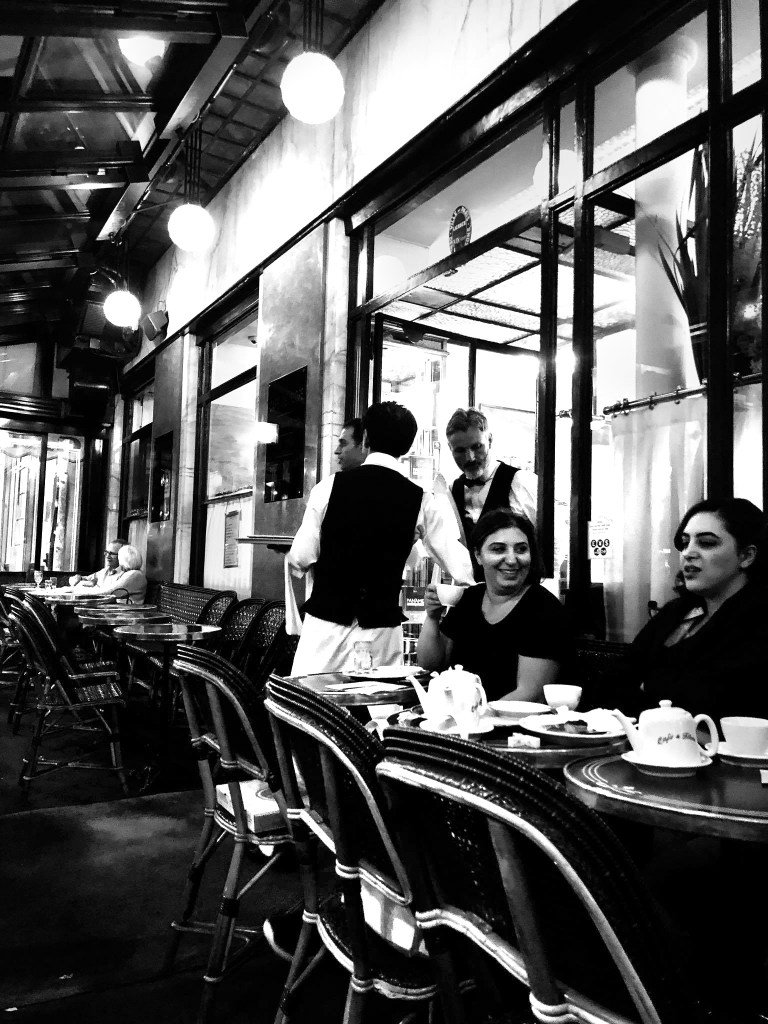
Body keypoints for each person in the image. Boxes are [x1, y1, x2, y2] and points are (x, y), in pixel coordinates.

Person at [288, 401, 474, 676]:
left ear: (365, 439)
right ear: (407, 447)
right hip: (382, 632)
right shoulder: (420, 498)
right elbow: (458, 564)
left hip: (327, 629)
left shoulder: (328, 488)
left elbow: (301, 556)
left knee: (313, 710)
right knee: (377, 713)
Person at [611, 497, 768, 721]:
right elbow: (616, 681)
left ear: (746, 556)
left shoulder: (759, 620)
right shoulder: (676, 612)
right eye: (685, 543)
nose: (688, 553)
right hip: (641, 746)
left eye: (706, 543)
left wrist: (651, 685)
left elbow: (718, 702)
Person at [417, 507, 571, 702]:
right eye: (498, 549)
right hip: (464, 720)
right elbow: (430, 664)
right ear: (478, 555)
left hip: (514, 727)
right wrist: (432, 617)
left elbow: (531, 694)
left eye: (521, 549)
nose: (512, 559)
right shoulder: (470, 599)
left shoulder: (543, 609)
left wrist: (472, 717)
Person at [443, 408, 537, 581]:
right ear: (450, 448)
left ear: (490, 440)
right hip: (477, 595)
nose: (470, 457)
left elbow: (553, 538)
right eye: (460, 450)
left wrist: (544, 586)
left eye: (477, 447)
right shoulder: (452, 490)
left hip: (522, 591)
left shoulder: (520, 481)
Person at [73, 544, 147, 604]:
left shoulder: (134, 575)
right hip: (121, 610)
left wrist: (78, 591)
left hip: (127, 613)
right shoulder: (130, 573)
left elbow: (109, 592)